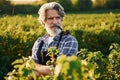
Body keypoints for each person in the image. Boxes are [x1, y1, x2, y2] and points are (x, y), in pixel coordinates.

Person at [31, 2, 78, 76]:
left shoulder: (69, 40)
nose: (55, 22)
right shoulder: (39, 42)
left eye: (58, 18)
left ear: (62, 19)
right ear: (43, 22)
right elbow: (31, 72)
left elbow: (62, 71)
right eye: (50, 18)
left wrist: (37, 67)